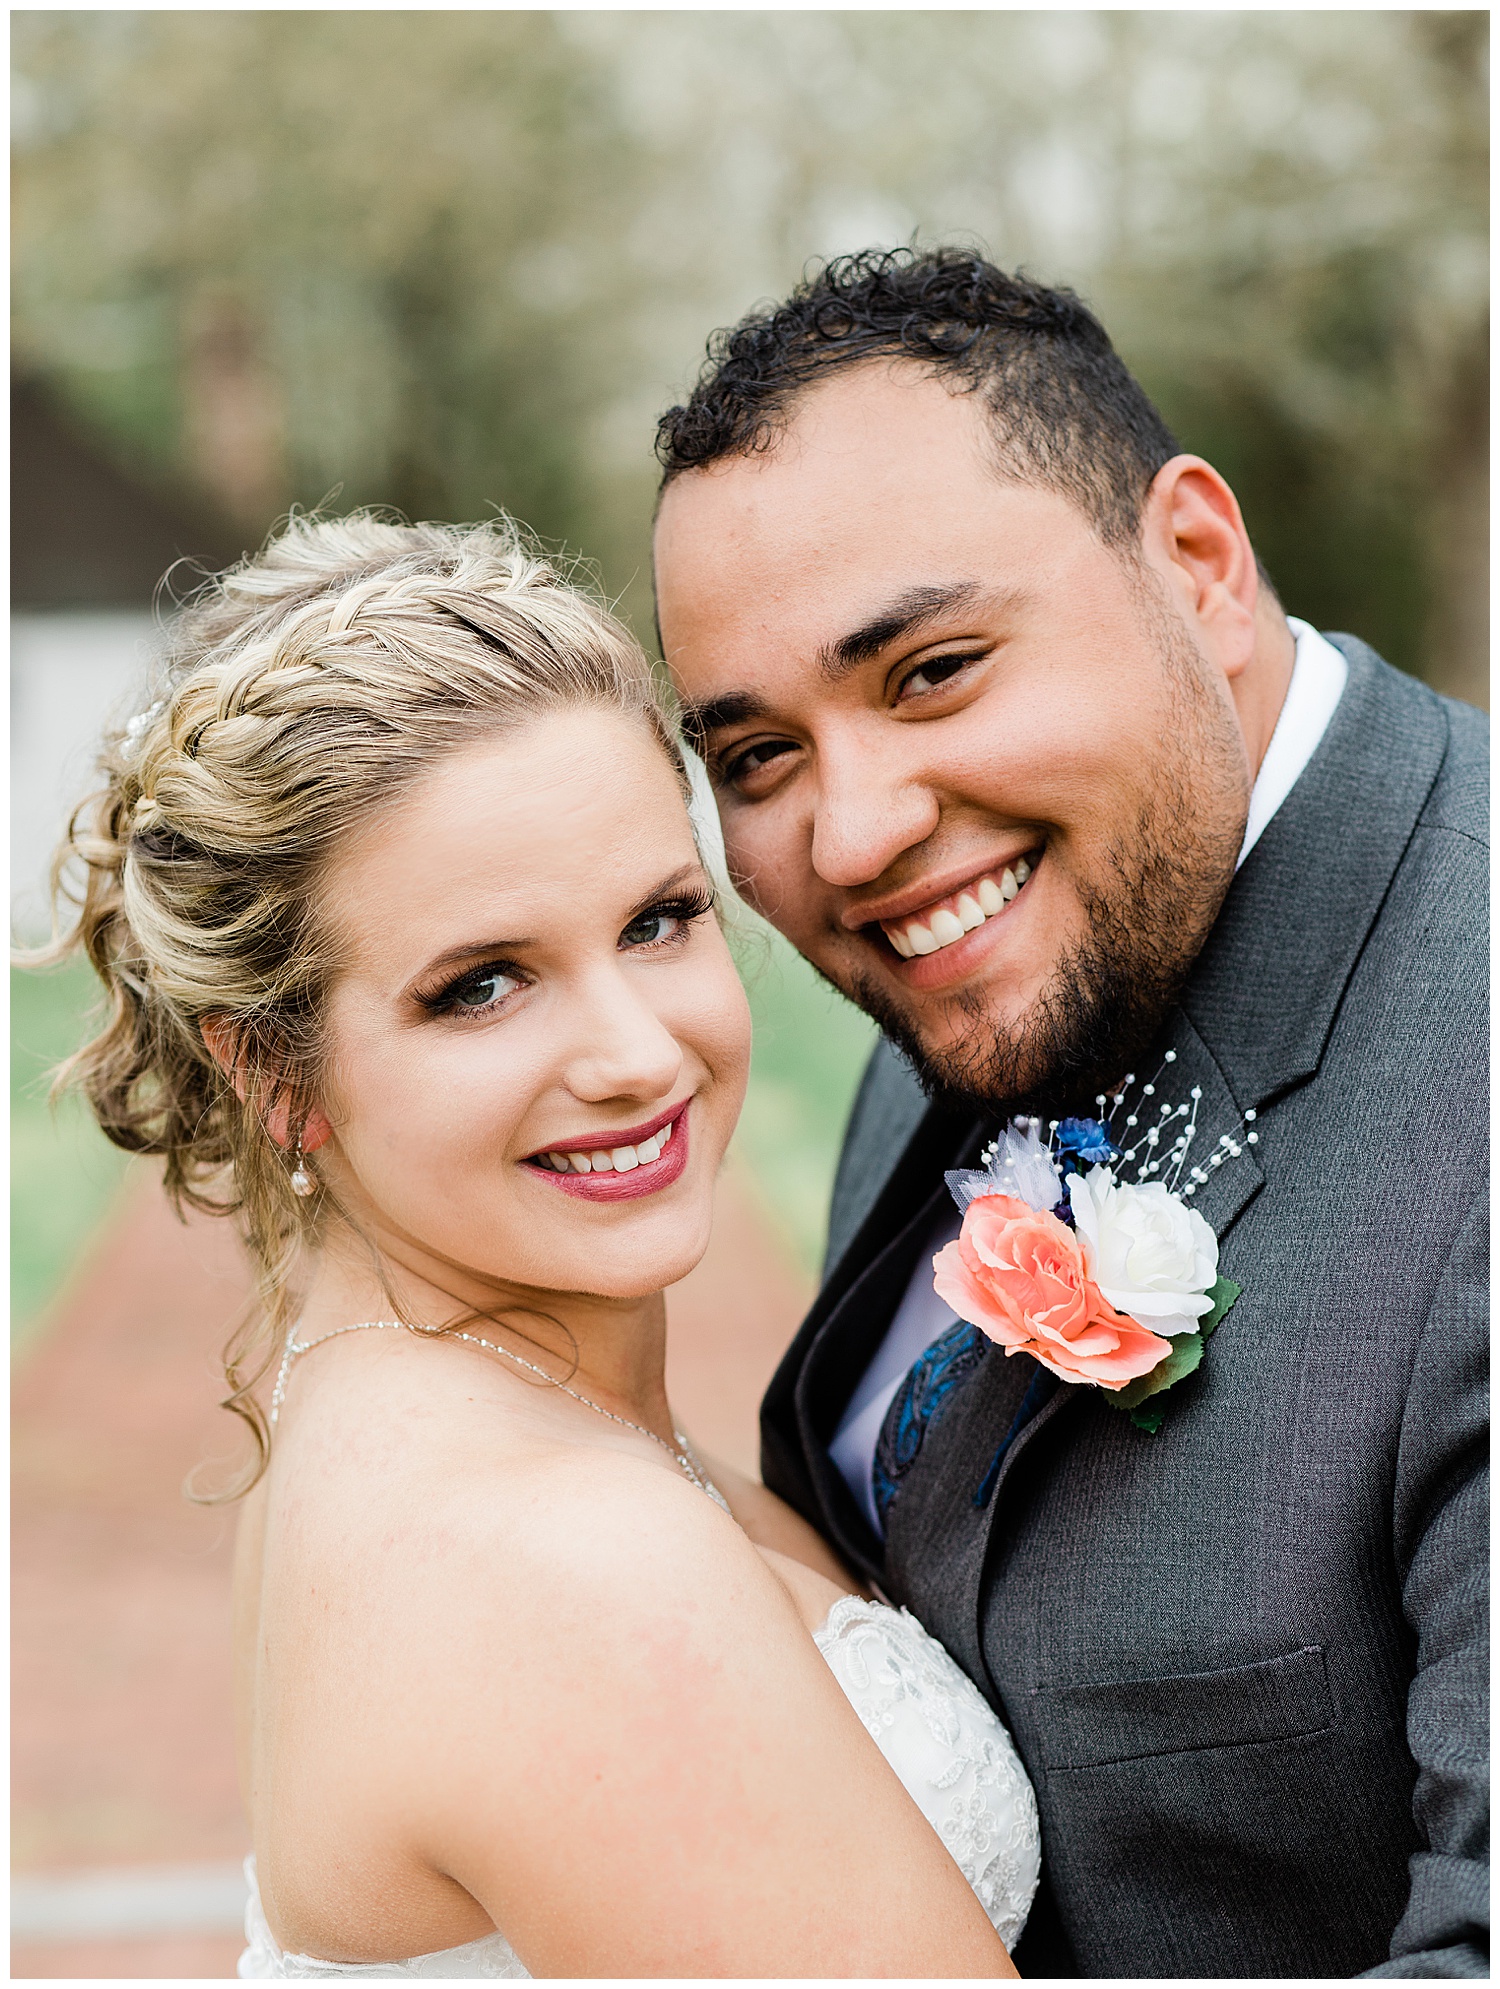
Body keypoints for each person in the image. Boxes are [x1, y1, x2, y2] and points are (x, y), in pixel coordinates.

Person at [46, 513, 1038, 1978]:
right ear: (270, 1068)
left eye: (657, 920)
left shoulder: (400, 1391)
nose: (637, 1054)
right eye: (482, 985)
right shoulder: (553, 1556)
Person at [652, 247, 1488, 1979]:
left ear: (1199, 565)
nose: (855, 835)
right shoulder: (975, 993)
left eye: (934, 668)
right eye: (756, 758)